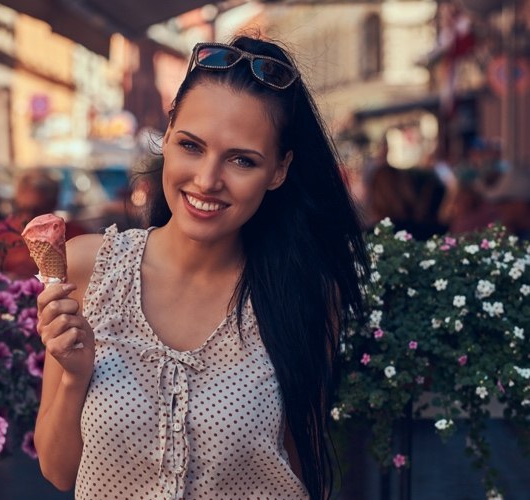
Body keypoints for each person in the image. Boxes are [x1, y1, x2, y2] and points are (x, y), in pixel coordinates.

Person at [34, 35, 368, 500]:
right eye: (192, 145)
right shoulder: (90, 267)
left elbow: (304, 463)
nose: (208, 180)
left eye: (242, 160)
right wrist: (74, 374)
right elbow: (57, 470)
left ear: (279, 169)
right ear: (167, 136)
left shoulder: (305, 291)